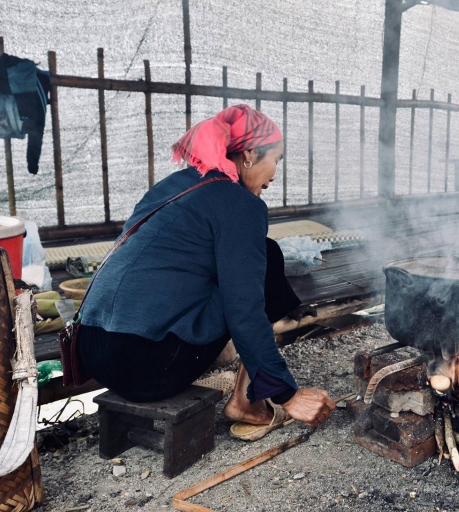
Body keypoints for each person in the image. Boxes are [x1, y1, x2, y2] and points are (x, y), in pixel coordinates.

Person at [77, 105, 335, 439]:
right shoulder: (240, 205)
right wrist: (288, 394)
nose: (274, 173)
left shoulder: (177, 185)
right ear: (249, 154)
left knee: (246, 264)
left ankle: (250, 394)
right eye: (276, 159)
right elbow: (244, 309)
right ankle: (247, 401)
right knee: (266, 258)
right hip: (146, 369)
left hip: (95, 350)